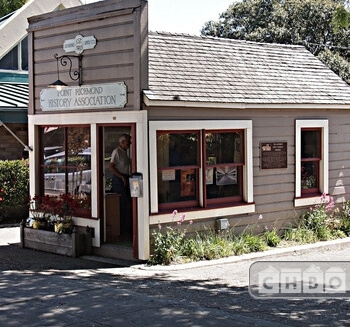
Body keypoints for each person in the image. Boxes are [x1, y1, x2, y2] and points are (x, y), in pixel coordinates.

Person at [109, 134, 132, 237]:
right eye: (128, 142)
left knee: (127, 203)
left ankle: (127, 228)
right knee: (122, 204)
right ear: (122, 142)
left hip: (126, 178)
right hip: (119, 180)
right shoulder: (117, 152)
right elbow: (111, 167)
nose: (130, 144)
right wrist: (121, 177)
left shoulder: (125, 153)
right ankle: (121, 230)